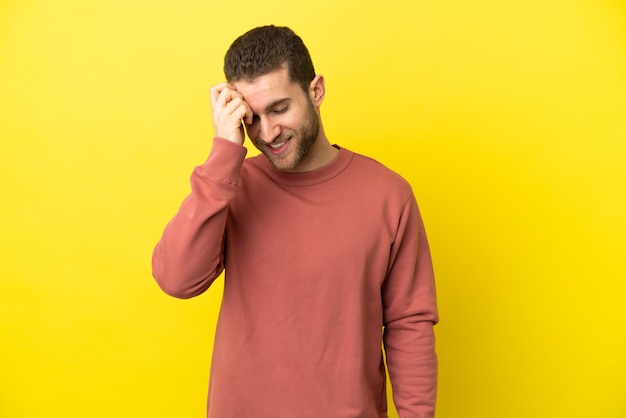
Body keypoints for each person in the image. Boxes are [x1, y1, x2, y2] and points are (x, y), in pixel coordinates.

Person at [152, 25, 438, 418]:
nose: (267, 133)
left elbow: (410, 324)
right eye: (251, 118)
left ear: (315, 90)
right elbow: (176, 279)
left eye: (280, 108)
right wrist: (223, 152)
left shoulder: (388, 195)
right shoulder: (230, 187)